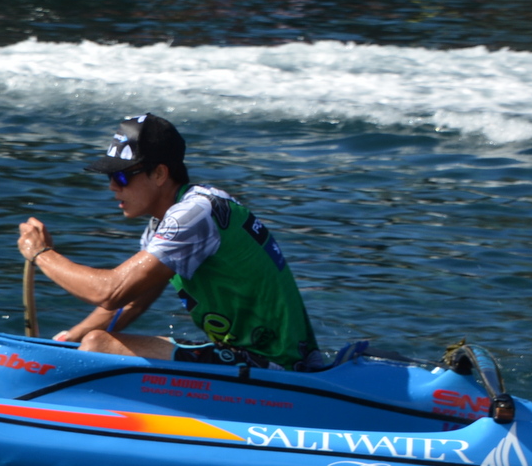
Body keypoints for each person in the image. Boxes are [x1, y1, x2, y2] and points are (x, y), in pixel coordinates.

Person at [16, 113, 323, 371]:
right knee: (90, 339)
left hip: (275, 366)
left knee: (99, 344)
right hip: (246, 356)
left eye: (122, 177)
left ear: (160, 173)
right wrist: (69, 340)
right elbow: (132, 300)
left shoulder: (192, 215)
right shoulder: (168, 220)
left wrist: (42, 254)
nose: (112, 186)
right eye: (109, 177)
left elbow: (109, 291)